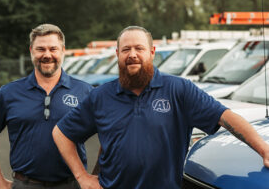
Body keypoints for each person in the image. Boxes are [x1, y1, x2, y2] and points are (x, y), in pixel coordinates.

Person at [52, 26, 269, 189]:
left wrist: (264, 149)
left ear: (152, 52)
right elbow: (61, 133)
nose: (132, 54)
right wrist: (82, 176)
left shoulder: (179, 89)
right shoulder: (100, 96)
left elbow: (225, 117)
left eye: (139, 48)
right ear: (117, 54)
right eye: (126, 49)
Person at [0, 24, 92, 189]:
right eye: (40, 49)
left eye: (53, 49)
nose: (47, 55)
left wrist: (97, 175)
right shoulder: (9, 92)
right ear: (31, 50)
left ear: (63, 50)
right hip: (25, 184)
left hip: (71, 184)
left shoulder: (84, 91)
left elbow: (109, 133)